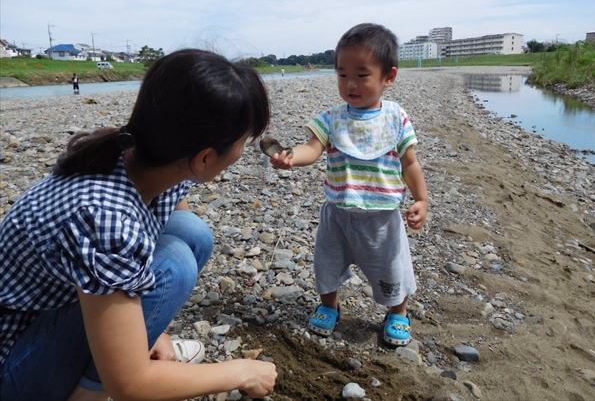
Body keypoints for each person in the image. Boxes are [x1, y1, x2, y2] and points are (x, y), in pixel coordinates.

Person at [0, 49, 277, 400]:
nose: (241, 152)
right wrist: (240, 372)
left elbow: (171, 215)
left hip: (55, 312)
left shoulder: (145, 149)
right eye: (242, 142)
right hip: (13, 360)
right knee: (174, 265)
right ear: (205, 158)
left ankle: (129, 344)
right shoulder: (106, 218)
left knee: (190, 233)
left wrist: (152, 325)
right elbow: (130, 385)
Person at [269, 23, 429, 346]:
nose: (350, 84)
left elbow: (409, 162)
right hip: (338, 215)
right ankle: (329, 305)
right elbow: (311, 150)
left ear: (389, 77)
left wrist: (422, 199)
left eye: (361, 75)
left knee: (392, 268)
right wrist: (290, 157)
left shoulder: (396, 118)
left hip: (382, 217)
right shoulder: (331, 118)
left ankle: (398, 312)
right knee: (326, 264)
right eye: (342, 75)